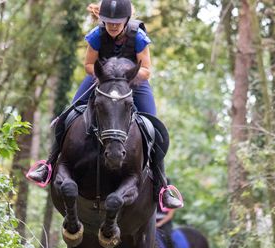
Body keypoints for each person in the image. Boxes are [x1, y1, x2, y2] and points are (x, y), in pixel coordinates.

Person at [28, 0, 182, 209]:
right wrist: (108, 72)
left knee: (154, 127)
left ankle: (161, 187)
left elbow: (146, 70)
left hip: (133, 81)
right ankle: (48, 165)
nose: (113, 26)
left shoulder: (138, 36)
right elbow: (88, 65)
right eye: (109, 21)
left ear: (126, 20)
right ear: (103, 19)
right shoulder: (96, 35)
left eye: (117, 22)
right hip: (102, 79)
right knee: (70, 115)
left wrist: (124, 69)